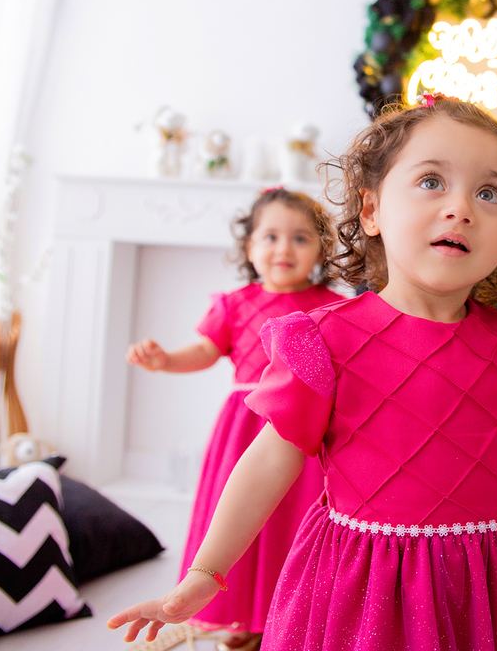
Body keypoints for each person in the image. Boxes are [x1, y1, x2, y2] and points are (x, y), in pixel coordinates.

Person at [110, 95, 497, 651]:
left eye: (488, 193)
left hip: (481, 582)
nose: (461, 208)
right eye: (432, 182)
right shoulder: (324, 343)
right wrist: (204, 575)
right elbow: (265, 463)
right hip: (362, 582)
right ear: (372, 210)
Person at [126, 187, 344, 651]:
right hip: (246, 427)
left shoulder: (332, 308)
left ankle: (292, 614)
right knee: (241, 515)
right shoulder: (235, 303)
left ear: (321, 250)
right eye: (270, 237)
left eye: (301, 238)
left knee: (296, 517)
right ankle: (242, 617)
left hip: (305, 431)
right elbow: (205, 351)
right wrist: (165, 360)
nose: (283, 248)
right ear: (249, 248)